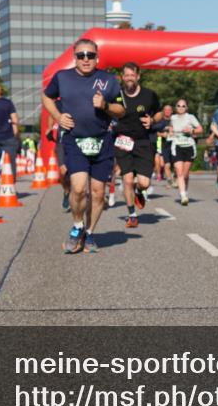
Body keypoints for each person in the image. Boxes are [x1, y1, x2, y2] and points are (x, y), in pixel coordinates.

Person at [42, 38, 125, 253]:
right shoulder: (62, 77)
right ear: (74, 57)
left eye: (90, 55)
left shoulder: (109, 80)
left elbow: (121, 110)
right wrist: (58, 117)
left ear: (97, 57)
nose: (86, 59)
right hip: (75, 139)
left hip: (102, 141)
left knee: (98, 193)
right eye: (81, 56)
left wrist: (105, 105)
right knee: (78, 189)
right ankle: (77, 226)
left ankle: (90, 233)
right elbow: (47, 97)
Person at [112, 62, 161, 228]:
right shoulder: (116, 95)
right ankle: (132, 214)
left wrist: (152, 120)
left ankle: (140, 191)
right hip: (123, 141)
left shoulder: (149, 95)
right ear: (122, 77)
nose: (129, 78)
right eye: (126, 75)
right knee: (127, 180)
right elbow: (107, 110)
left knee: (144, 183)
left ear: (138, 77)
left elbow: (159, 112)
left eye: (132, 75)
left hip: (142, 142)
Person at [168, 98, 202, 205]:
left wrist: (191, 130)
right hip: (177, 146)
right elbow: (171, 127)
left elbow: (200, 129)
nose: (181, 108)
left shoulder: (190, 117)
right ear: (176, 107)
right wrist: (170, 132)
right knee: (179, 172)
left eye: (183, 106)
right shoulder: (173, 117)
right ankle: (183, 196)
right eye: (178, 106)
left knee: (185, 174)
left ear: (186, 108)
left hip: (189, 146)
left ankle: (184, 191)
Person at [149, 103, 173, 187]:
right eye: (166, 110)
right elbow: (154, 131)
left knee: (170, 164)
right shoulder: (159, 120)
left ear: (172, 111)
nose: (167, 111)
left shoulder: (174, 119)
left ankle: (172, 180)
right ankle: (159, 173)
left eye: (169, 110)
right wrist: (162, 134)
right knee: (163, 164)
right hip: (161, 143)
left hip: (174, 144)